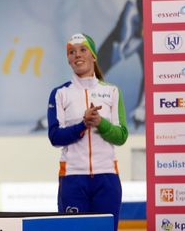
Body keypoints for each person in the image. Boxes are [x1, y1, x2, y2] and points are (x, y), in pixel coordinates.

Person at [47, 33, 128, 231]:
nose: (77, 55)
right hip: (73, 179)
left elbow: (122, 136)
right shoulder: (60, 93)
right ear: (68, 59)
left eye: (83, 50)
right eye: (72, 52)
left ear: (93, 56)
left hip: (107, 178)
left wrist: (100, 123)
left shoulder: (112, 92)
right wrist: (83, 125)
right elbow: (55, 137)